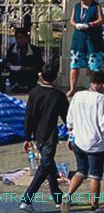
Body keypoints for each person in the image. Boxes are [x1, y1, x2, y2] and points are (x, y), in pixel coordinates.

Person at [63, 71, 104, 213]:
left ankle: (67, 197)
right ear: (103, 85)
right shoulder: (100, 99)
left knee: (80, 171)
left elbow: (70, 118)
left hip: (78, 141)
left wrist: (70, 136)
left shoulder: (78, 95)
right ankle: (95, 206)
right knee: (95, 176)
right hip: (94, 143)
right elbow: (103, 123)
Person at [20, 62, 68, 212]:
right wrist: (72, 133)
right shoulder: (58, 95)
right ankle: (27, 199)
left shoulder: (34, 93)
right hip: (50, 136)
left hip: (37, 136)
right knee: (44, 168)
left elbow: (28, 116)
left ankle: (58, 199)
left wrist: (27, 137)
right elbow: (67, 117)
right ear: (55, 77)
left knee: (49, 167)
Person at [68, 0, 104, 98]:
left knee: (95, 66)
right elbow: (72, 20)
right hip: (79, 39)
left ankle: (96, 87)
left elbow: (101, 20)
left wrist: (90, 24)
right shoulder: (77, 7)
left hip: (93, 39)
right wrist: (76, 25)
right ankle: (72, 88)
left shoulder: (96, 6)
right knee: (74, 64)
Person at [4, 28, 44, 92]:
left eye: (21, 38)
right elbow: (7, 61)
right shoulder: (12, 48)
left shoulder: (34, 50)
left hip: (30, 82)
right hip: (14, 81)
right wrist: (8, 65)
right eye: (17, 38)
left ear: (26, 38)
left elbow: (40, 66)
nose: (19, 40)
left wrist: (27, 68)